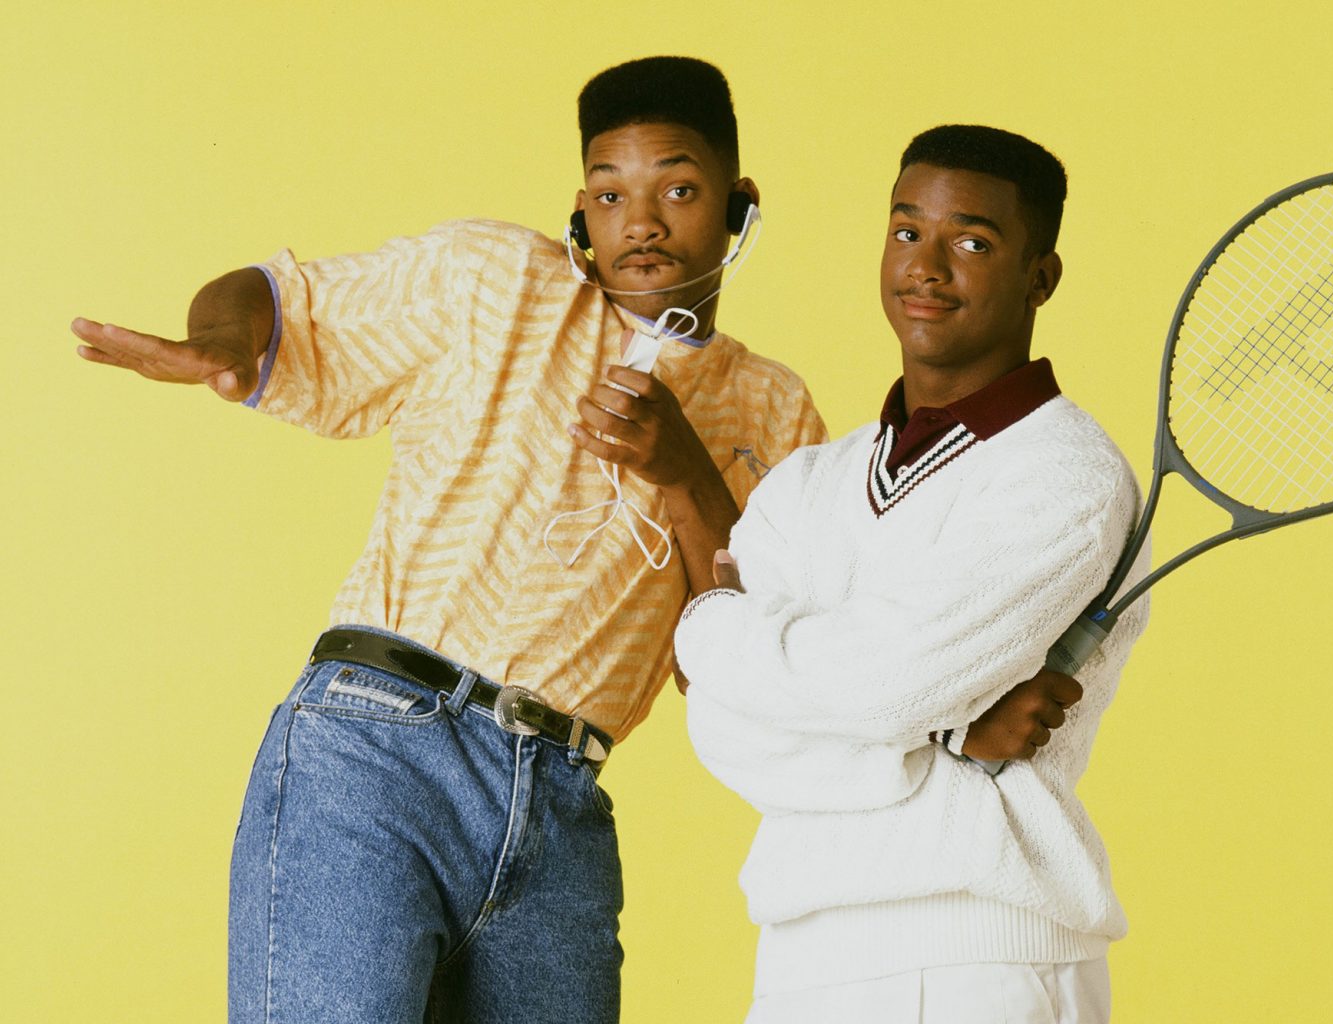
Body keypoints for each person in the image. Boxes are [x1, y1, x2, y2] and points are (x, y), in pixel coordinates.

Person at [70, 56, 830, 1024]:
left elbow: (732, 662)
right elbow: (273, 294)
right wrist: (224, 340)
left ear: (738, 203)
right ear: (582, 211)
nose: (641, 223)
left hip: (562, 809)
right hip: (377, 751)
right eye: (610, 194)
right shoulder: (496, 282)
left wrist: (682, 470)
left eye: (678, 190)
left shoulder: (776, 411)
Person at [673, 124, 1152, 1023]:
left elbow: (884, 685)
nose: (925, 267)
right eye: (906, 231)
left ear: (1041, 277)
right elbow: (720, 728)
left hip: (983, 956)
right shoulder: (806, 484)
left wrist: (709, 625)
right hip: (799, 961)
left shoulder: (1066, 474)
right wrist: (946, 736)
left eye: (973, 243)